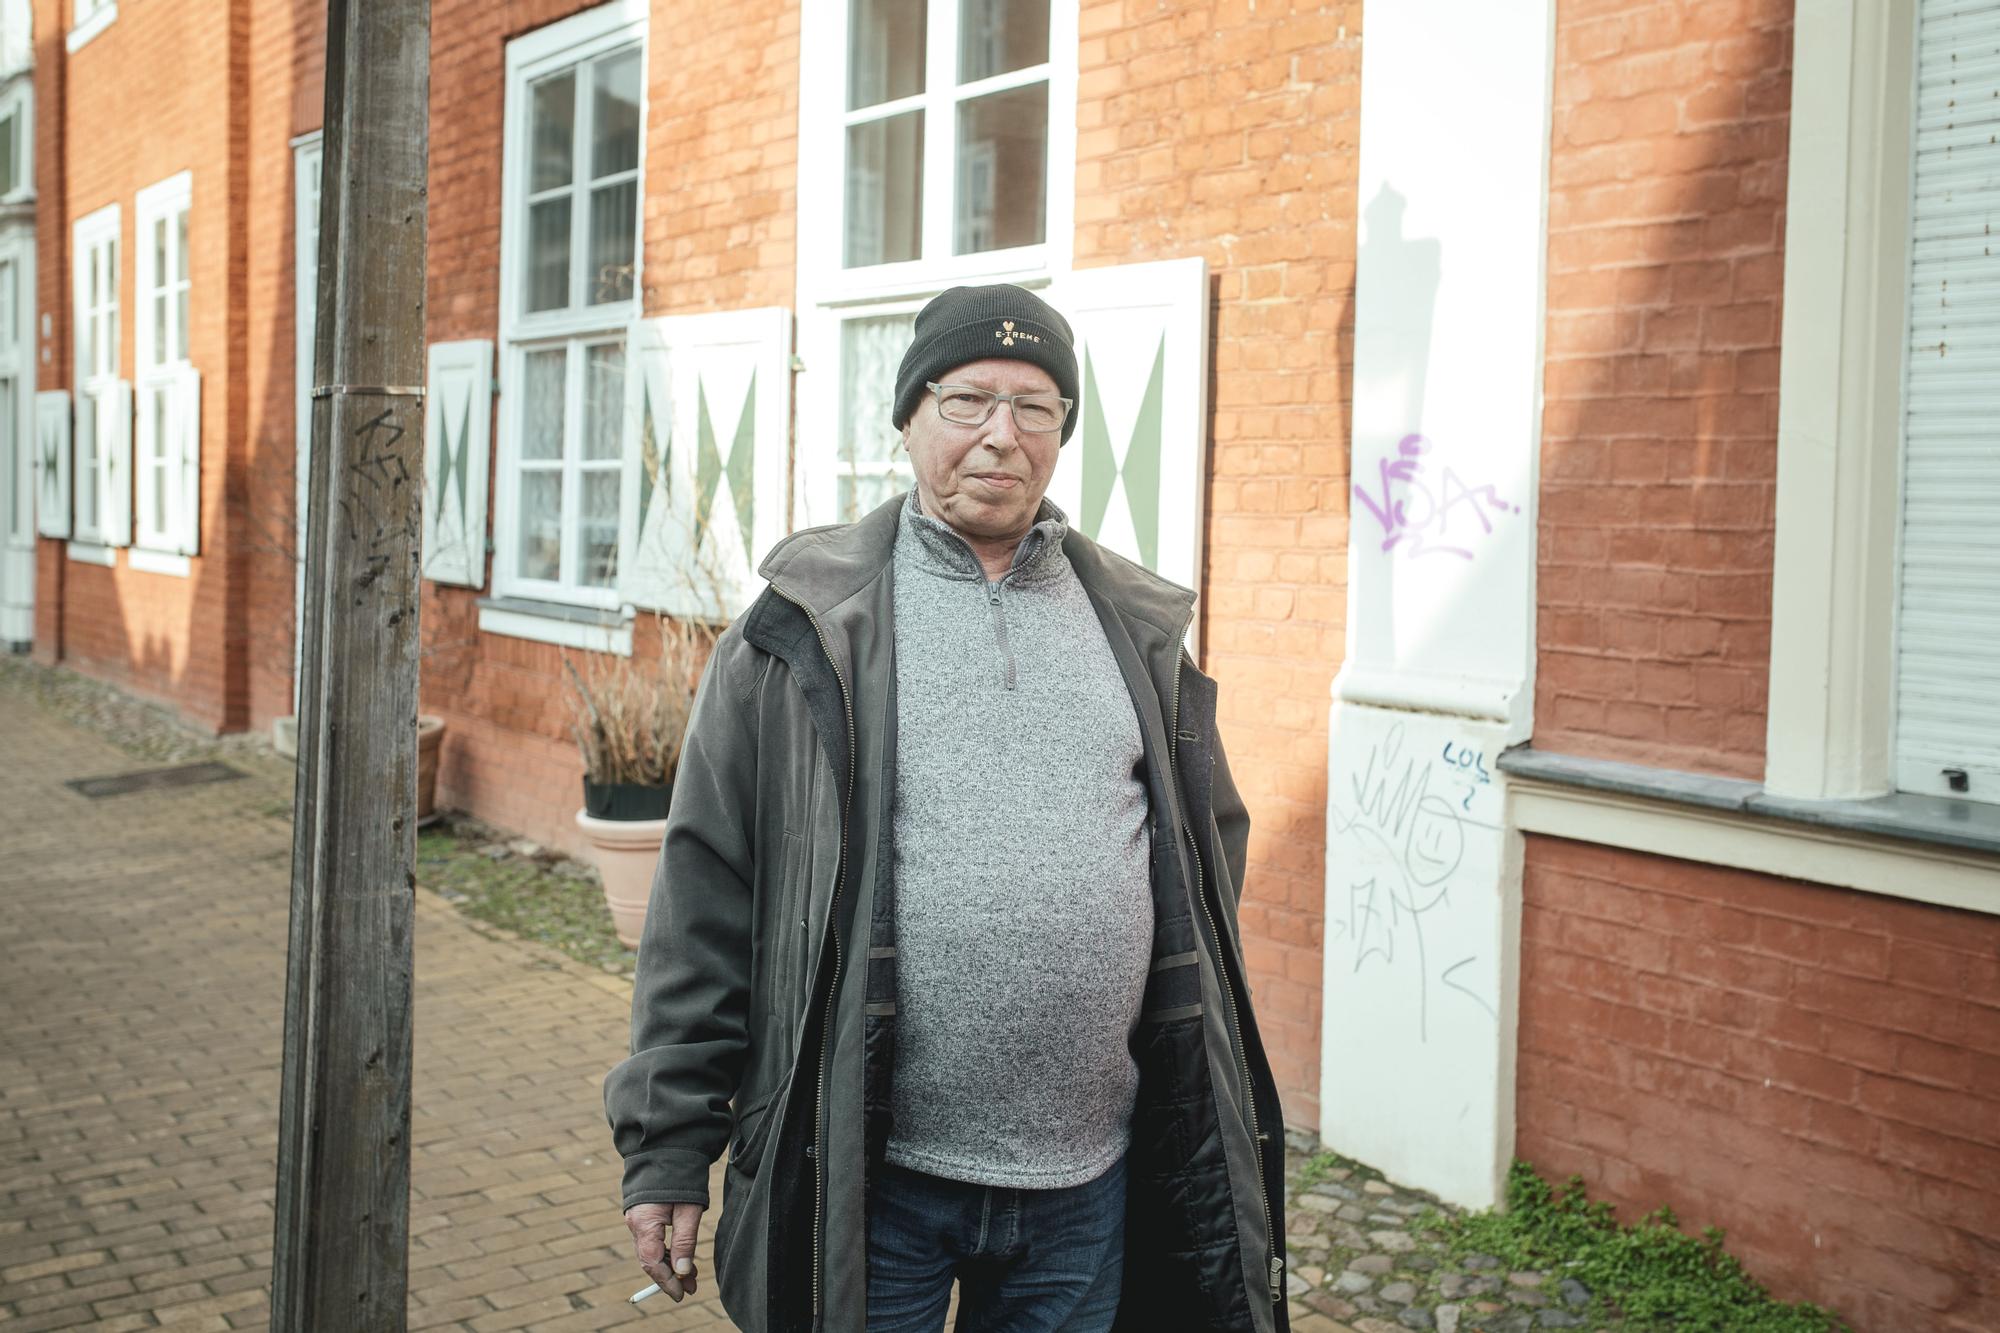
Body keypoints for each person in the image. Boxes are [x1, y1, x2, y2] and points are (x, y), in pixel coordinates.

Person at [604, 284, 1289, 1332]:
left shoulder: (1134, 629)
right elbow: (705, 898)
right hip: (871, 1173)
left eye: (1037, 408)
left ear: (1062, 435)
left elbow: (1206, 859)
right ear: (910, 416)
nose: (1000, 437)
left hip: (1084, 1178)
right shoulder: (803, 631)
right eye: (968, 400)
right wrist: (668, 1143)